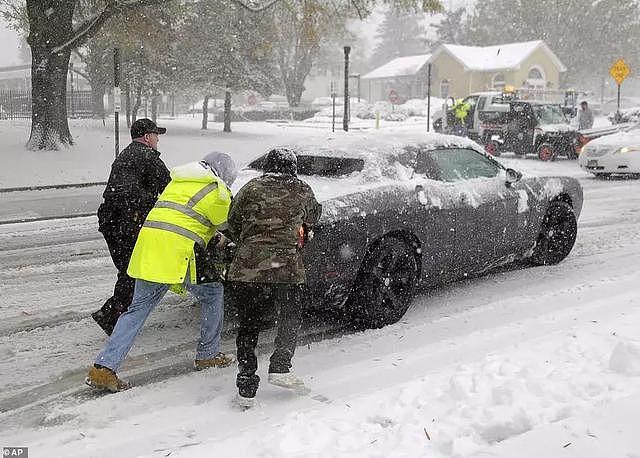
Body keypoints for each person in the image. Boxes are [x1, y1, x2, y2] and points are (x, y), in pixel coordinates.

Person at [86, 153, 238, 392]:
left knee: (136, 310)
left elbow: (189, 219)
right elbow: (227, 222)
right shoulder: (217, 189)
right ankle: (208, 354)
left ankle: (103, 368)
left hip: (148, 248)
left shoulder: (179, 182)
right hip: (174, 254)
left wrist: (215, 238)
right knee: (213, 293)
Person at [226, 148, 322, 408]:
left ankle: (246, 385)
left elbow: (232, 222)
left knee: (249, 325)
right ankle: (280, 366)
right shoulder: (303, 190)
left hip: (248, 268)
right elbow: (314, 217)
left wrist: (252, 242)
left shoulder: (251, 187)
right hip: (287, 269)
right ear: (292, 167)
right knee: (290, 316)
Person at [92, 118, 171, 336]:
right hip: (129, 221)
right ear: (147, 137)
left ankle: (114, 315)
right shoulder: (148, 157)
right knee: (133, 271)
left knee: (128, 270)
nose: (157, 140)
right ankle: (112, 317)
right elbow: (169, 189)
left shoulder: (125, 155)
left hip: (111, 221)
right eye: (156, 135)